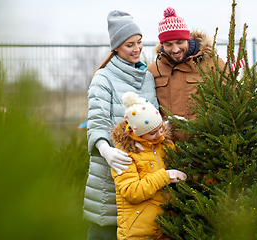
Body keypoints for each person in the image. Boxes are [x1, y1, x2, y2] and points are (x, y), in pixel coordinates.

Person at [83, 10, 159, 240]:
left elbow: (155, 121)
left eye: (139, 42)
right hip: (112, 168)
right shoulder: (103, 79)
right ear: (116, 47)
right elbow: (97, 123)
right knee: (106, 230)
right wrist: (106, 151)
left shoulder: (147, 77)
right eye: (129, 45)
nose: (137, 49)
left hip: (143, 172)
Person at [111, 91, 187, 240]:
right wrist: (165, 176)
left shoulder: (165, 145)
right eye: (153, 133)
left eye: (160, 128)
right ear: (138, 132)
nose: (159, 134)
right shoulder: (125, 154)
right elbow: (131, 192)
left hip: (166, 228)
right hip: (138, 232)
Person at [148, 7, 226, 141]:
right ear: (162, 45)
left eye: (180, 42)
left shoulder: (214, 64)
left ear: (188, 39)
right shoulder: (153, 70)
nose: (175, 49)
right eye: (169, 44)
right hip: (167, 150)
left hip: (205, 149)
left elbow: (230, 103)